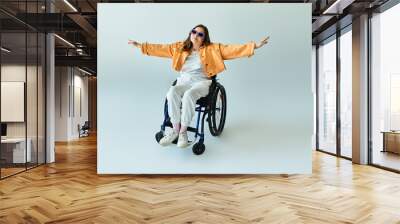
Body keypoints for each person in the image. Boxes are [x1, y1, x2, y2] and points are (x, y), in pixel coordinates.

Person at [128, 24, 269, 148]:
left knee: (189, 95)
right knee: (172, 92)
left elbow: (232, 50)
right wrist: (141, 46)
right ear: (190, 33)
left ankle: (183, 133)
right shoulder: (179, 48)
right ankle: (175, 130)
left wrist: (253, 46)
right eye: (194, 32)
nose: (196, 35)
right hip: (184, 81)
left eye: (200, 34)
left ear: (204, 38)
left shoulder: (213, 49)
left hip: (202, 82)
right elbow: (160, 48)